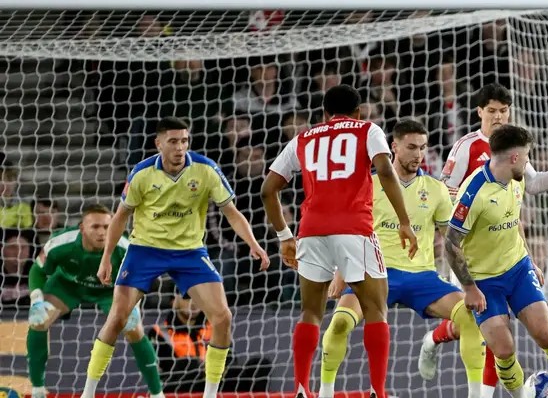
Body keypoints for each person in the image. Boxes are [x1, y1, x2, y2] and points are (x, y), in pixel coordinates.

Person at [81, 117, 269, 398]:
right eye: (173, 141)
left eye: (184, 141)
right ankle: (88, 393)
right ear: (158, 144)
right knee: (118, 317)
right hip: (145, 249)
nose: (180, 147)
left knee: (222, 318)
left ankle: (210, 394)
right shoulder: (141, 173)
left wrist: (253, 243)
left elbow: (231, 212)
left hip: (189, 252)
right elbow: (120, 216)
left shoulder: (206, 169)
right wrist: (106, 257)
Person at [423, 83, 548, 398]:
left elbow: (526, 196)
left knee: (545, 334)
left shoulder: (515, 167)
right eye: (492, 110)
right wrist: (468, 283)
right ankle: (437, 343)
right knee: (497, 344)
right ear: (480, 112)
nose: (498, 116)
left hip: (515, 264)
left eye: (503, 110)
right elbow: (446, 207)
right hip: (479, 271)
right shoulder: (470, 163)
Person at [261, 85, 418, 398]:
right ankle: (377, 391)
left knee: (310, 313)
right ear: (358, 112)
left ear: (324, 114)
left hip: (311, 231)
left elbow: (267, 190)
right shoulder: (367, 129)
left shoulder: (303, 138)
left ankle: (302, 389)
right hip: (354, 229)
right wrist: (404, 221)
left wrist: (284, 236)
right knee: (376, 310)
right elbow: (386, 171)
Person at [316, 119, 485, 398]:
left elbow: (452, 242)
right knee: (340, 323)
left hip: (422, 276)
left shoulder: (435, 189)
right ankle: (325, 393)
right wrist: (340, 272)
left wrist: (469, 284)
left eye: (423, 147)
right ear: (394, 147)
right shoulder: (368, 185)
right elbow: (349, 232)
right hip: (374, 273)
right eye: (411, 147)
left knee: (470, 317)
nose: (418, 154)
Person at [28, 205, 163, 398]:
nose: (102, 232)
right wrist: (36, 300)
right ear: (82, 228)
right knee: (38, 322)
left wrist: (134, 306)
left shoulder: (125, 248)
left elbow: (140, 278)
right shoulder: (61, 242)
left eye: (107, 227)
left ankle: (157, 393)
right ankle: (37, 389)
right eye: (95, 227)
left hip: (110, 291)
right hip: (68, 286)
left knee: (135, 329)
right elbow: (37, 270)